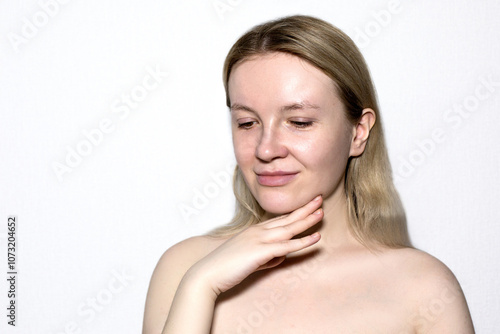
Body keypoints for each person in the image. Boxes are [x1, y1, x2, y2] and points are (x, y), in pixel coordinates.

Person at [143, 15, 474, 333]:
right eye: (247, 122)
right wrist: (202, 284)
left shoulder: (424, 288)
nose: (266, 149)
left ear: (358, 132)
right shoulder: (186, 268)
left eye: (299, 122)